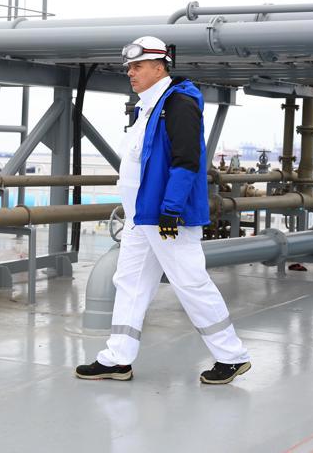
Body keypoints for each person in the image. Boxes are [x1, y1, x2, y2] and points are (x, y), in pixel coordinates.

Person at [75, 36, 252, 385]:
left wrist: (171, 210)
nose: (130, 73)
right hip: (141, 218)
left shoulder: (179, 103)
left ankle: (232, 356)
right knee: (129, 282)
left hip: (165, 218)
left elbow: (186, 161)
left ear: (159, 67)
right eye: (129, 67)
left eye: (137, 66)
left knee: (190, 282)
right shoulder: (148, 107)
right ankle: (117, 359)